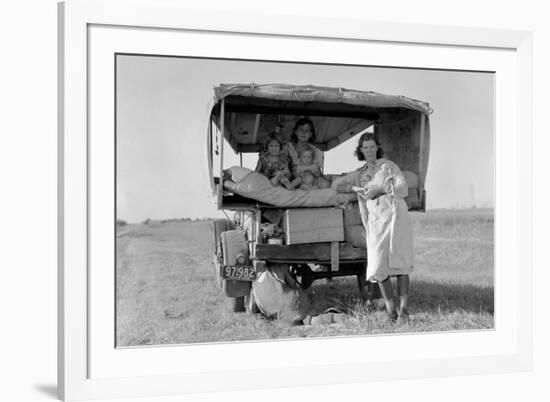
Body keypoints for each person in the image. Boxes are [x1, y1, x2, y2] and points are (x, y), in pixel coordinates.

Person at [335, 133, 414, 324]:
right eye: (365, 147)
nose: (369, 150)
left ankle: (403, 311)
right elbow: (337, 185)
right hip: (376, 222)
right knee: (378, 265)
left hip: (396, 216)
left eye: (372, 146)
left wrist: (382, 189)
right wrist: (355, 189)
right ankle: (390, 310)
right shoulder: (360, 173)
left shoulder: (388, 166)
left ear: (377, 148)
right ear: (360, 150)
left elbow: (403, 189)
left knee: (401, 261)